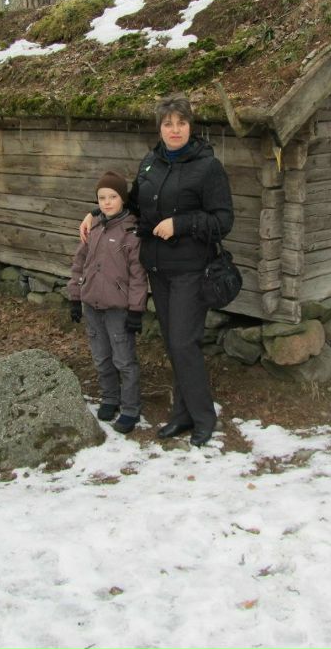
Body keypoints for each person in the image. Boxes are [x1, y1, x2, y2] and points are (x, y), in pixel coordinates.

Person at [80, 95, 234, 447]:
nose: (174, 129)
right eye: (168, 123)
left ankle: (202, 416)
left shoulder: (208, 167)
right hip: (158, 269)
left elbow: (223, 220)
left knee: (183, 342)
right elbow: (131, 204)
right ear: (160, 128)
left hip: (191, 268)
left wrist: (180, 224)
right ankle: (181, 414)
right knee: (173, 342)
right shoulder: (151, 163)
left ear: (190, 126)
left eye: (181, 123)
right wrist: (95, 212)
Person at [68, 171, 148, 434]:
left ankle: (129, 407)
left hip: (119, 309)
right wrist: (75, 296)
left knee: (123, 359)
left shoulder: (131, 233)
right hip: (92, 305)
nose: (107, 202)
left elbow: (138, 276)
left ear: (123, 199)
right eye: (102, 198)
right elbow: (79, 264)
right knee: (101, 357)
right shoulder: (95, 228)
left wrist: (136, 309)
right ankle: (110, 398)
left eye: (113, 197)